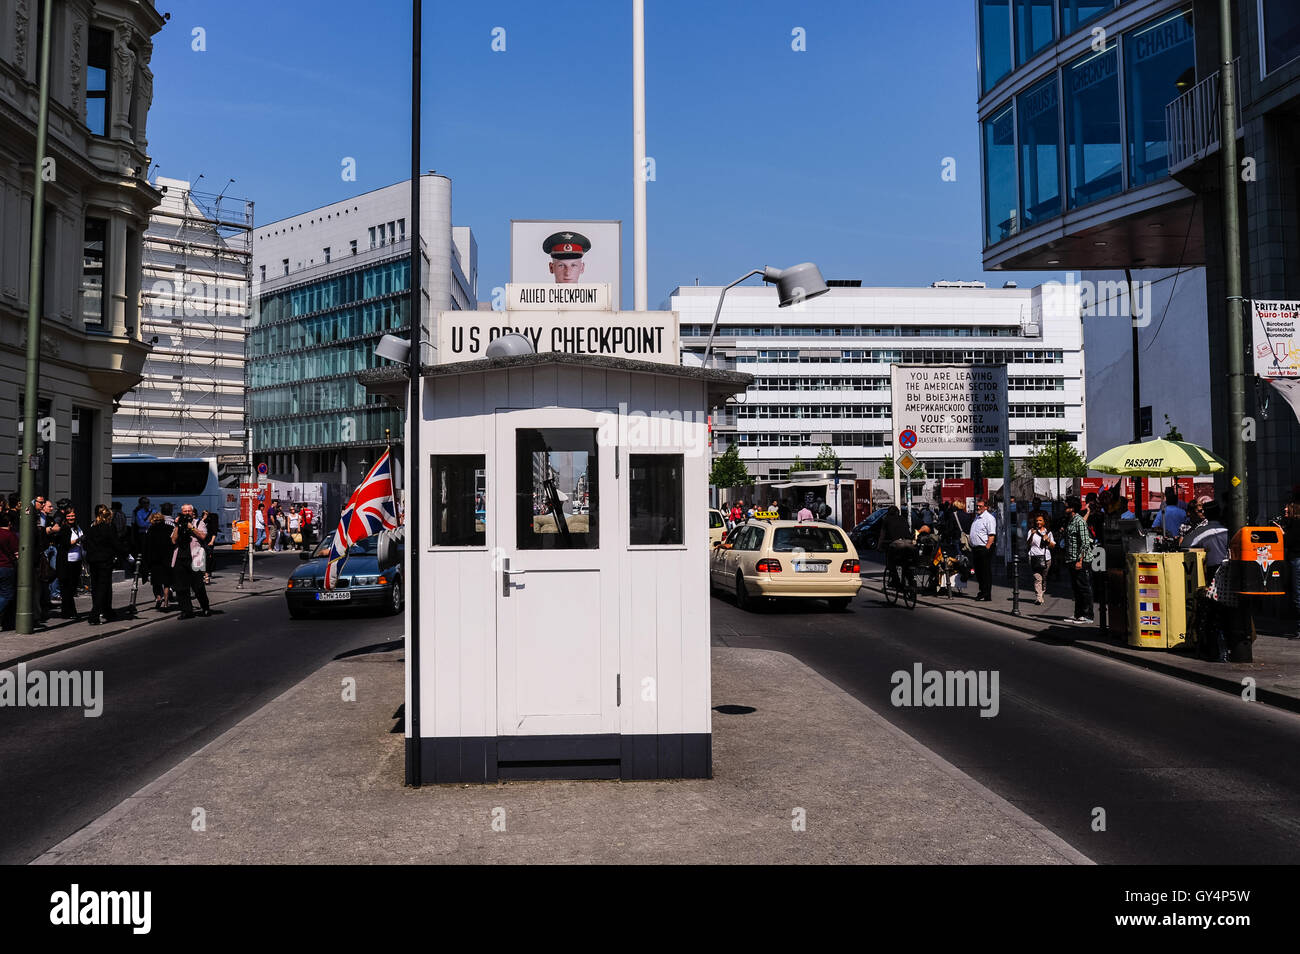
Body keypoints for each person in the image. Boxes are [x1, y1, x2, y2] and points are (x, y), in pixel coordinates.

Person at [83, 504, 128, 625]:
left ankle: (107, 611)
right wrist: (126, 553)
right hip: (105, 561)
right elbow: (115, 543)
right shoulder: (109, 527)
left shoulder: (92, 527)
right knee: (103, 587)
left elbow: (86, 544)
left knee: (97, 587)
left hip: (93, 560)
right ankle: (95, 614)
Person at [171, 504, 211, 619]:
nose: (187, 513)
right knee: (181, 587)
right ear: (181, 512)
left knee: (198, 586)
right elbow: (173, 540)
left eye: (189, 511)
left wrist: (191, 527)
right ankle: (186, 610)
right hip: (179, 558)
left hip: (195, 558)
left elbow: (203, 536)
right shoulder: (178, 524)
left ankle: (205, 607)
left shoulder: (199, 523)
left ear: (192, 512)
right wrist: (178, 526)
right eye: (185, 511)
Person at [1062, 495, 1095, 624]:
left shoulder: (1079, 521)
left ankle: (1088, 615)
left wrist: (1080, 560)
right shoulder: (1070, 520)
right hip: (1071, 559)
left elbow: (1085, 543)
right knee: (1076, 587)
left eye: (1067, 505)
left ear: (1072, 508)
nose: (1064, 507)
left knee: (1083, 587)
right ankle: (1078, 613)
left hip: (1081, 560)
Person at [51, 505, 85, 620]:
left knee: (72, 588)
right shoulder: (65, 528)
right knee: (67, 588)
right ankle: (69, 612)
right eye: (69, 516)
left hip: (77, 561)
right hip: (67, 562)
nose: (71, 517)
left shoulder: (77, 527)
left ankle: (68, 612)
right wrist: (78, 540)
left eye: (73, 515)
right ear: (65, 517)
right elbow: (66, 543)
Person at [1183, 499, 1229, 579]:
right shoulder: (1228, 532)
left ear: (1205, 514)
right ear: (1219, 513)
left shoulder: (1198, 533)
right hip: (1228, 572)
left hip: (1208, 573)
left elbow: (1184, 546)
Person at [144, 512, 175, 611]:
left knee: (156, 581)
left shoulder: (150, 530)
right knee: (166, 582)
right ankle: (166, 602)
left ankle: (158, 597)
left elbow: (147, 547)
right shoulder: (169, 528)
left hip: (154, 559)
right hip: (167, 558)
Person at [879, 505, 915, 590]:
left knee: (891, 562)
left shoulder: (886, 520)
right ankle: (910, 580)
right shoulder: (903, 518)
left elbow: (882, 535)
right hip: (909, 543)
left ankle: (896, 581)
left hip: (896, 544)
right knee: (906, 562)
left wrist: (879, 546)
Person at [969, 498, 997, 602]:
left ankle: (986, 593)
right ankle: (982, 591)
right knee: (979, 571)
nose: (978, 508)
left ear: (986, 507)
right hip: (976, 548)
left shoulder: (989, 518)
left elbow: (991, 535)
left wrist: (987, 548)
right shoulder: (977, 517)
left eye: (980, 506)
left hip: (984, 548)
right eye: (977, 506)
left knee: (985, 571)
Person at [1026, 513, 1054, 606]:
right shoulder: (1031, 531)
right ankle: (1038, 597)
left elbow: (1053, 546)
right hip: (1034, 557)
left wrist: (1048, 540)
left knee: (1044, 578)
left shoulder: (1048, 532)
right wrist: (1031, 535)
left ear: (1044, 522)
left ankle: (1041, 594)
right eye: (1037, 520)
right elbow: (1028, 543)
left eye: (1040, 520)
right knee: (1037, 578)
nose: (1038, 522)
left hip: (1046, 558)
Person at [0, 510, 17, 630]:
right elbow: (17, 553)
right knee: (7, 594)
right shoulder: (10, 535)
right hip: (6, 567)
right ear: (9, 523)